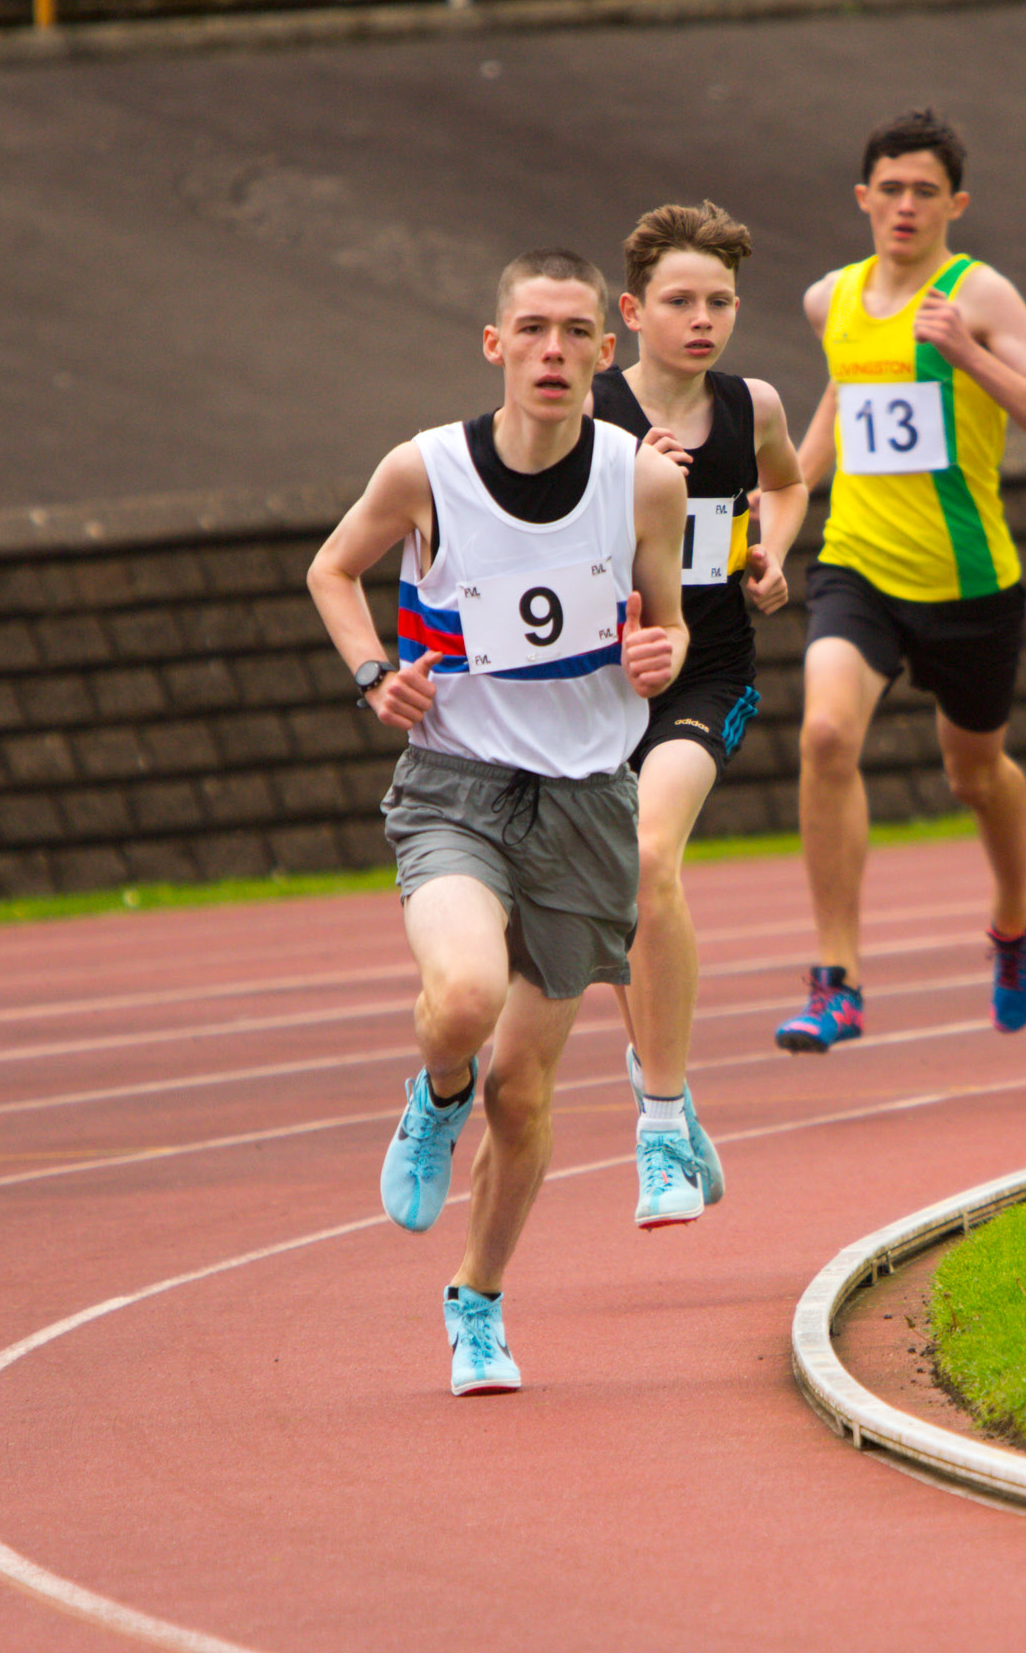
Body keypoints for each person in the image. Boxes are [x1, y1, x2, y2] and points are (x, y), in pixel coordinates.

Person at [307, 249, 688, 1395]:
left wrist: (658, 655)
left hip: (585, 806)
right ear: (496, 345)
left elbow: (666, 633)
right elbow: (332, 571)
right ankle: (436, 1092)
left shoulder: (641, 483)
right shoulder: (424, 470)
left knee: (523, 1092)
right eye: (532, 330)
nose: (553, 352)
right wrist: (374, 674)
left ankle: (476, 1300)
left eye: (575, 333)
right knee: (466, 998)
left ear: (606, 352)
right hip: (457, 790)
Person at [777, 107, 1026, 1053]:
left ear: (957, 204)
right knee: (825, 734)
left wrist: (968, 355)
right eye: (891, 190)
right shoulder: (831, 299)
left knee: (975, 774)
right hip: (859, 565)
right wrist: (778, 513)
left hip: (968, 582)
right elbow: (844, 402)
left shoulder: (981, 296)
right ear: (862, 197)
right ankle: (835, 981)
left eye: (925, 192)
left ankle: (1017, 916)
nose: (906, 207)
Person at [590, 201, 807, 1226]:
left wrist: (771, 556)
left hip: (707, 674)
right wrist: (634, 490)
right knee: (615, 894)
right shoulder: (586, 416)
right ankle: (662, 1084)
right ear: (632, 313)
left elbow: (788, 484)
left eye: (720, 301)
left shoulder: (750, 405)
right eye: (680, 301)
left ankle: (661, 1126)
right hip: (597, 687)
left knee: (646, 856)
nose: (702, 319)